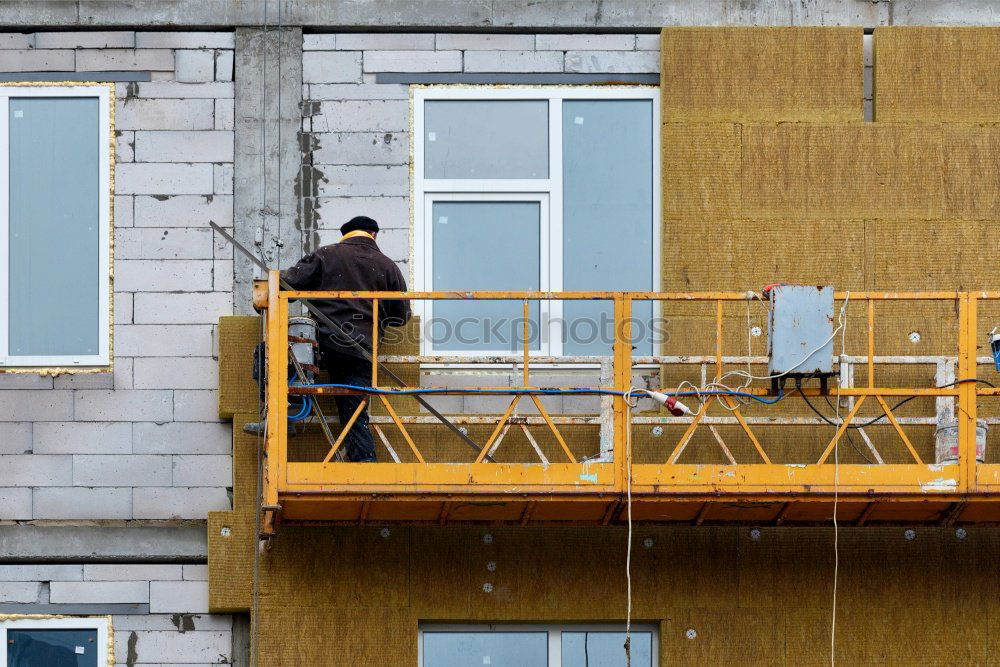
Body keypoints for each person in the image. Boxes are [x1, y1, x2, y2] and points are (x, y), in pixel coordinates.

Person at [281, 216, 411, 462]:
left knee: (271, 353)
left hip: (323, 344)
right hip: (362, 347)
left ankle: (286, 410)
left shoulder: (326, 255)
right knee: (354, 409)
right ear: (373, 235)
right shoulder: (388, 266)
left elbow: (286, 284)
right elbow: (401, 316)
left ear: (345, 235)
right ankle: (364, 460)